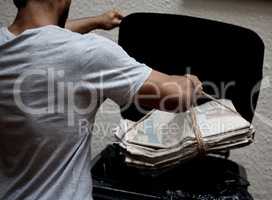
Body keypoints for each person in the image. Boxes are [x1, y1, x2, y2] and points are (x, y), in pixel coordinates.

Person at [0, 0, 203, 199]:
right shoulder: (89, 53)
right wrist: (189, 83)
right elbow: (176, 98)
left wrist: (97, 21)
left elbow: (40, 37)